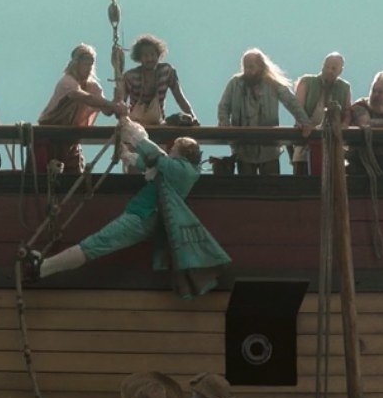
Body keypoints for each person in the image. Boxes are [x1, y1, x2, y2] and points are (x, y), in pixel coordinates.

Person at [24, 118, 231, 300]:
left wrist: (132, 130)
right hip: (141, 215)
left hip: (142, 217)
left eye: (174, 147)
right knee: (97, 243)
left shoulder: (183, 171)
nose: (170, 149)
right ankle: (43, 267)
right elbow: (147, 161)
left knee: (96, 244)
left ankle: (42, 269)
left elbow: (154, 156)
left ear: (183, 152)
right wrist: (126, 151)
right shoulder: (174, 169)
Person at [217, 48, 311, 175]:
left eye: (251, 66)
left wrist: (304, 121)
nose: (248, 71)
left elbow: (291, 102)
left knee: (271, 188)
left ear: (260, 67)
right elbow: (224, 105)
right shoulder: (235, 83)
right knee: (247, 188)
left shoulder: (272, 84)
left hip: (269, 149)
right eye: (245, 67)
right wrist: (224, 123)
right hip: (243, 148)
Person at [33, 43, 124, 174]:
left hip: (71, 139)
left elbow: (107, 111)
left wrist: (116, 100)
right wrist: (112, 105)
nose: (88, 68)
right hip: (50, 137)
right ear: (76, 64)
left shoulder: (93, 87)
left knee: (74, 176)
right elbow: (83, 97)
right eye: (85, 64)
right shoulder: (67, 82)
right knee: (44, 177)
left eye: (90, 64)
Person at [291, 53, 353, 176]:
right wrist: (303, 124)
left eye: (334, 68)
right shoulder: (307, 82)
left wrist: (345, 124)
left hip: (332, 142)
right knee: (302, 177)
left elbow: (347, 111)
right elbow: (298, 109)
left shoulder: (344, 87)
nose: (329, 70)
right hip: (306, 137)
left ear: (340, 70)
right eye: (327, 66)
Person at [117, 34, 196, 126]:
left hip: (158, 124)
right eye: (145, 55)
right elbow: (121, 104)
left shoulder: (166, 72)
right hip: (135, 125)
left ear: (158, 55)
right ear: (140, 58)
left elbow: (180, 98)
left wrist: (193, 118)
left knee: (180, 119)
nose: (150, 59)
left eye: (152, 54)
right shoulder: (131, 76)